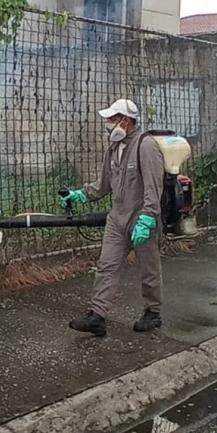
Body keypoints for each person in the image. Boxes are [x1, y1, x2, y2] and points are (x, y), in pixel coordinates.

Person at [63, 99, 165, 337]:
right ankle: (97, 316)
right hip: (117, 217)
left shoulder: (146, 146)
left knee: (149, 269)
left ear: (125, 121)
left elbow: (154, 186)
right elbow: (104, 184)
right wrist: (80, 195)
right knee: (106, 266)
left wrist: (149, 217)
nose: (107, 124)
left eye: (111, 119)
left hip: (142, 218)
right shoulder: (114, 147)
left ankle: (153, 312)